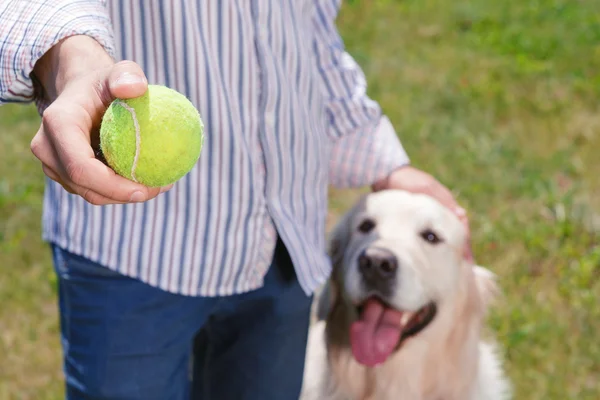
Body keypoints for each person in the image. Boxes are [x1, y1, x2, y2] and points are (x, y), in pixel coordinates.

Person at [0, 1, 472, 399]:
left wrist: (381, 159)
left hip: (282, 241)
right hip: (132, 249)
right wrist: (70, 59)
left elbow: (307, 32)